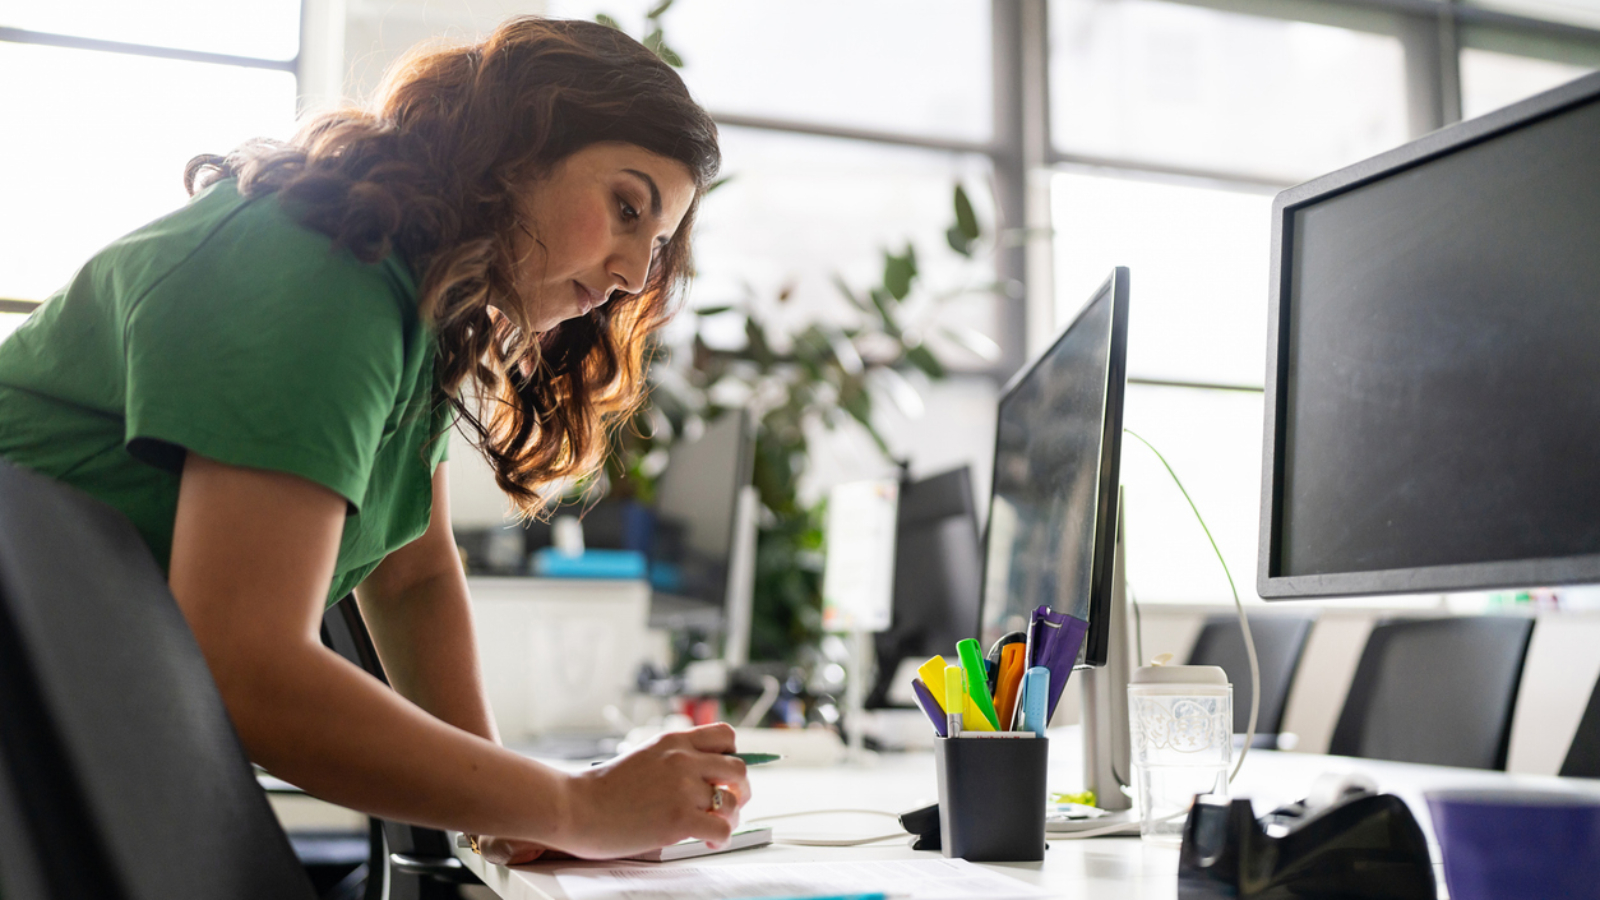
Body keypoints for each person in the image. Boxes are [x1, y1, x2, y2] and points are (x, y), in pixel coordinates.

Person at [0, 17, 749, 864]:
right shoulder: (317, 271)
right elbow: (248, 665)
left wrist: (519, 807)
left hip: (64, 725)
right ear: (517, 145)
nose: (628, 278)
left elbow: (413, 574)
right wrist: (571, 807)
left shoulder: (407, 299)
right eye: (625, 207)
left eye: (653, 252)